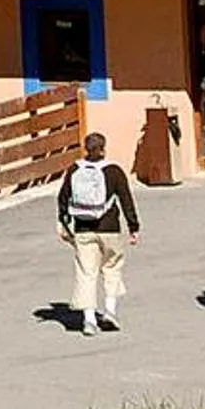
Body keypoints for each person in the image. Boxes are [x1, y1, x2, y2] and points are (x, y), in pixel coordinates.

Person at [56, 130, 141, 336]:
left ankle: (89, 319)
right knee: (111, 268)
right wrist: (133, 227)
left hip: (83, 229)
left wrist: (65, 221)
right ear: (103, 148)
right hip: (109, 228)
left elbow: (62, 198)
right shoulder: (113, 171)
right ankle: (110, 311)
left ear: (86, 148)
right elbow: (126, 199)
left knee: (87, 273)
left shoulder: (75, 169)